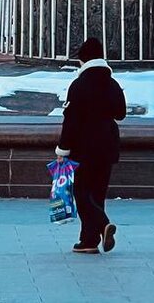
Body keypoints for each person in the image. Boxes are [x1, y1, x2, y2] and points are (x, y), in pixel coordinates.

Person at [54, 37, 126, 254]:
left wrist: (63, 149)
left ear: (83, 60)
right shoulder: (112, 84)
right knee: (97, 193)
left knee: (81, 192)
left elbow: (71, 120)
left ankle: (103, 224)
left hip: (84, 146)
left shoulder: (79, 85)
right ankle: (89, 240)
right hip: (108, 145)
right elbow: (121, 113)